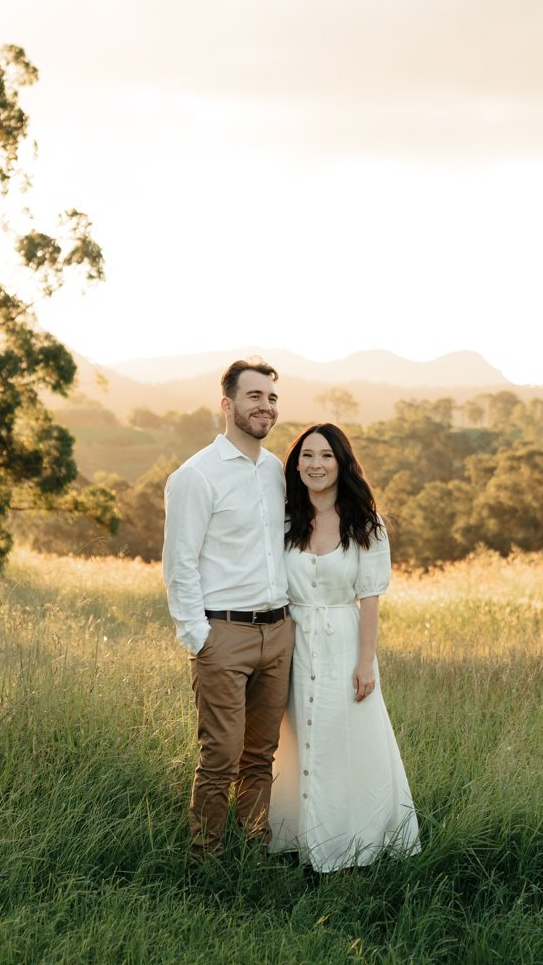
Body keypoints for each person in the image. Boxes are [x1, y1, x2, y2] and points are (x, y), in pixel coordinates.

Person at [268, 422, 420, 872]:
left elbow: (369, 597)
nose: (316, 465)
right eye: (308, 456)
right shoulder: (284, 518)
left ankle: (353, 841)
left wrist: (365, 662)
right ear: (296, 463)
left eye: (326, 456)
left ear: (342, 463)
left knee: (344, 740)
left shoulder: (366, 524)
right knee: (298, 739)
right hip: (293, 639)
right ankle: (297, 839)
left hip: (344, 640)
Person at [163, 359, 294, 857]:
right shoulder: (196, 476)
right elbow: (180, 564)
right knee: (219, 756)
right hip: (224, 636)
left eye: (273, 398)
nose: (266, 406)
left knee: (261, 755)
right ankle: (206, 858)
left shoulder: (278, 471)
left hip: (278, 634)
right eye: (254, 396)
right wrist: (199, 639)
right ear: (228, 404)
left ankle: (255, 849)